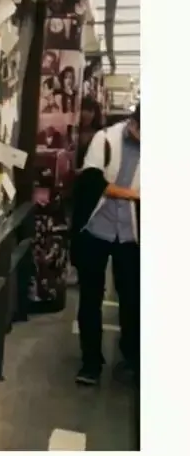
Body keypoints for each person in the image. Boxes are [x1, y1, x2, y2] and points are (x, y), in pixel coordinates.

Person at [71, 104, 140, 386]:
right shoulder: (106, 139)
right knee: (90, 297)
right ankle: (91, 362)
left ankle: (131, 357)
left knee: (132, 299)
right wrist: (134, 194)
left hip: (131, 235)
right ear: (133, 122)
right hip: (96, 228)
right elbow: (92, 181)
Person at [76, 96, 103, 168]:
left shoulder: (99, 135)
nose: (85, 113)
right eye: (83, 109)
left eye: (90, 111)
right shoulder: (72, 132)